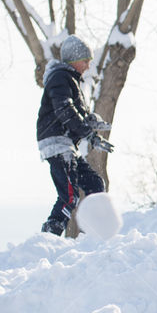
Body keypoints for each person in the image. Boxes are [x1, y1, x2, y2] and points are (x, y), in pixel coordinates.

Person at [36, 34, 115, 235]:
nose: (88, 66)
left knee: (94, 184)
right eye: (85, 61)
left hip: (67, 144)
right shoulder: (60, 77)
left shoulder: (69, 80)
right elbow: (65, 111)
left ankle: (95, 232)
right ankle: (49, 235)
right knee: (69, 196)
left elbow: (75, 113)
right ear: (74, 60)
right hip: (57, 143)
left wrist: (91, 122)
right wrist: (89, 134)